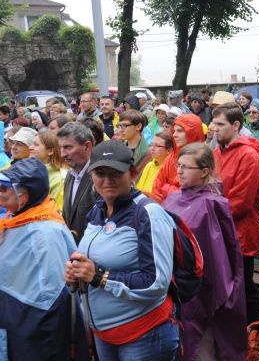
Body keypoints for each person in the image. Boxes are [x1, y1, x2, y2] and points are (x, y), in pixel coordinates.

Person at [64, 141, 179, 360]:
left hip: (144, 335)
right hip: (105, 335)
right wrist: (76, 275)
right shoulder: (97, 211)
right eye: (100, 173)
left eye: (116, 172)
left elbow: (156, 282)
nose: (107, 180)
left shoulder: (148, 213)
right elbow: (94, 264)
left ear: (132, 172)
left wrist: (98, 276)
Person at [163, 143, 247, 360]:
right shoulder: (173, 197)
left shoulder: (212, 204)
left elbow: (218, 257)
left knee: (200, 347)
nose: (179, 171)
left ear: (204, 172)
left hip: (200, 289)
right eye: (178, 165)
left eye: (186, 167)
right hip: (171, 285)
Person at [0, 159, 86, 360]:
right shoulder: (15, 219)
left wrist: (22, 324)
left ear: (25, 195)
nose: (0, 191)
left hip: (35, 327)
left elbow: (51, 294)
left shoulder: (45, 232)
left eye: (5, 188)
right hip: (14, 317)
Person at [212, 102, 259, 324]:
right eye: (213, 123)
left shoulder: (248, 156)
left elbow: (241, 202)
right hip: (219, 231)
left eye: (220, 124)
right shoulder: (216, 152)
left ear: (236, 125)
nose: (213, 128)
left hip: (240, 235)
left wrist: (208, 215)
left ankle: (254, 338)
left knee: (244, 290)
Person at [152, 114, 205, 203]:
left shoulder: (202, 161)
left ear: (192, 132)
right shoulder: (171, 157)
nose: (174, 135)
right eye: (174, 131)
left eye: (179, 131)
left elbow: (187, 196)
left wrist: (166, 187)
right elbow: (156, 187)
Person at [59, 122, 97, 243]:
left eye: (68, 147)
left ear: (87, 146)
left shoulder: (100, 178)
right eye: (60, 148)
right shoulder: (70, 175)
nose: (62, 154)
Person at [29, 131, 68, 211]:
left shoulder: (59, 179)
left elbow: (56, 211)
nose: (30, 147)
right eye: (31, 144)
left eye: (36, 145)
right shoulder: (33, 171)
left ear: (50, 151)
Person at [136, 131, 173, 197]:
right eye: (152, 145)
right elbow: (139, 188)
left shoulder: (169, 172)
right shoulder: (149, 165)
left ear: (169, 150)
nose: (152, 148)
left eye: (157, 146)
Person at [119, 110, 152, 178]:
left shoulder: (148, 153)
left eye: (124, 126)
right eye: (119, 126)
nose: (120, 130)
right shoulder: (120, 148)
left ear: (138, 127)